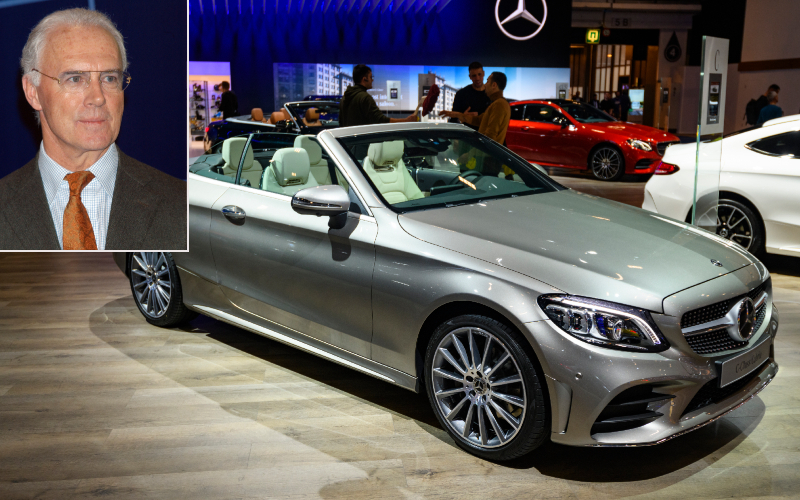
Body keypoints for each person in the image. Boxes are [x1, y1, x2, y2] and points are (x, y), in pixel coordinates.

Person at [0, 8, 186, 250]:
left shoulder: (181, 205)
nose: (98, 98)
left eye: (109, 78)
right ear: (33, 92)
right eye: (75, 79)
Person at [440, 72, 511, 145]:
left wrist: (473, 154)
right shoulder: (497, 103)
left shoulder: (499, 104)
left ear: (494, 85)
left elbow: (490, 137)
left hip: (486, 155)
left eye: (487, 81)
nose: (485, 84)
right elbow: (478, 120)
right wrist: (458, 114)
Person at [340, 64, 417, 127]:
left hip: (347, 142)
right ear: (364, 79)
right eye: (371, 77)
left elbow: (341, 121)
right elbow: (380, 120)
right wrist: (407, 121)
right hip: (361, 143)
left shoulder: (345, 97)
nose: (372, 80)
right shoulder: (365, 97)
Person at [450, 62, 491, 130]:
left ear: (483, 74)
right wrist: (462, 118)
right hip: (467, 137)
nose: (477, 78)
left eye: (479, 74)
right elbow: (454, 120)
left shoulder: (491, 95)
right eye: (474, 75)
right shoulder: (461, 94)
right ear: (470, 77)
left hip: (487, 137)